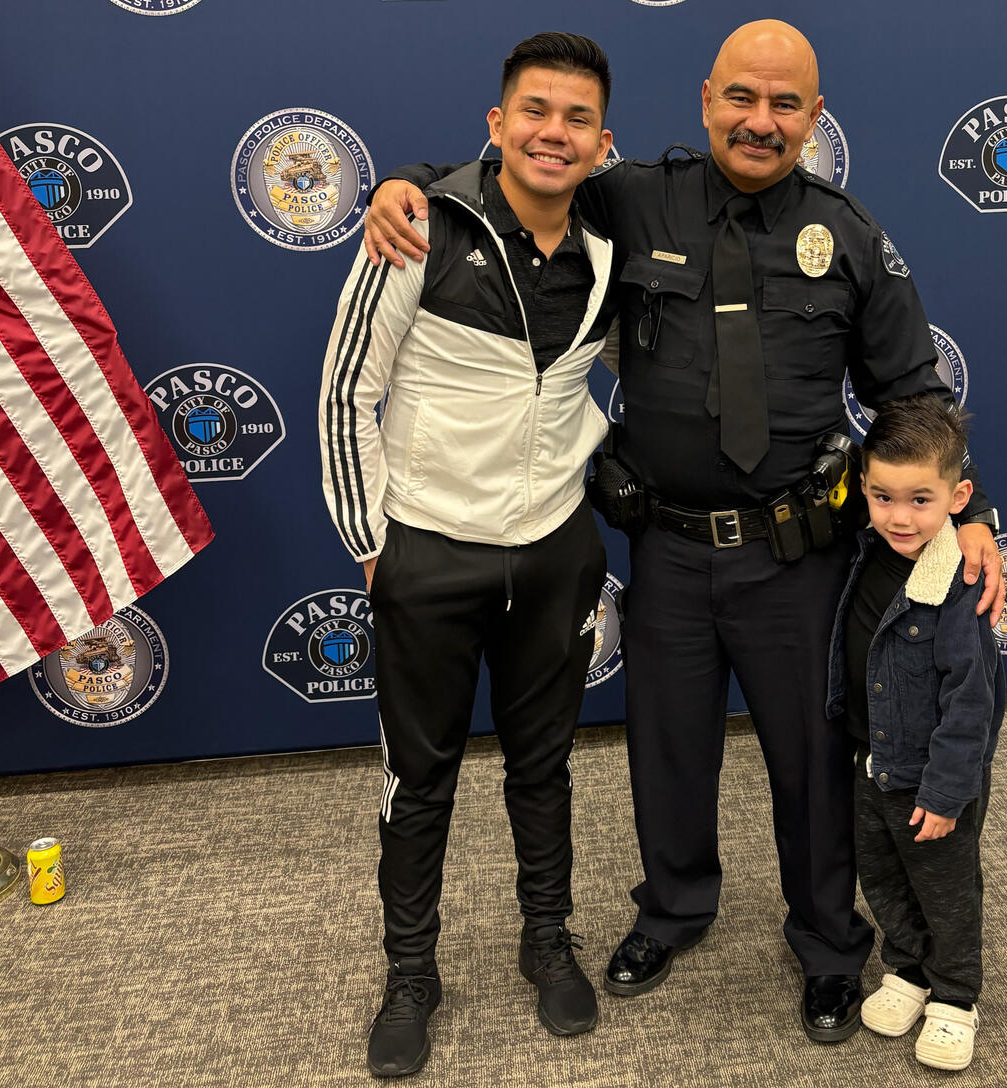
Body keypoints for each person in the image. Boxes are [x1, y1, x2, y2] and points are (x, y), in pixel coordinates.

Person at [363, 19, 1003, 1043]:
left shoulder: (847, 236)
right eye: (741, 98)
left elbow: (912, 391)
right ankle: (671, 907)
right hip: (664, 548)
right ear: (705, 99)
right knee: (667, 750)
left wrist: (979, 522)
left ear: (814, 116)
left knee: (808, 759)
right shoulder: (631, 198)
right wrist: (405, 180)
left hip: (797, 557)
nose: (760, 121)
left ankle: (831, 942)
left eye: (784, 104)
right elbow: (525, 174)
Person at [318, 32, 619, 1077]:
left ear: (601, 140)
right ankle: (411, 971)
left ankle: (547, 940)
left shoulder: (612, 246)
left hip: (553, 553)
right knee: (420, 777)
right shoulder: (420, 227)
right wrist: (373, 544)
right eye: (536, 110)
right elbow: (347, 391)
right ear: (497, 124)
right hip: (428, 552)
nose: (554, 132)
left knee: (543, 767)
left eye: (577, 117)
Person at [825, 394, 1004, 1071]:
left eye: (921, 499)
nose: (901, 516)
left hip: (933, 779)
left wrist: (949, 791)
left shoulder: (960, 579)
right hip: (871, 763)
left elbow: (971, 704)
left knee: (947, 892)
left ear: (959, 496)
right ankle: (907, 968)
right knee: (885, 879)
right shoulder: (868, 548)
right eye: (884, 496)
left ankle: (956, 996)